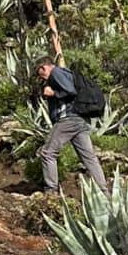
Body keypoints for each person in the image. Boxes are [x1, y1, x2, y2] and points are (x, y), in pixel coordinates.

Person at [35, 56, 105, 194]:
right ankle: (104, 192)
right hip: (79, 119)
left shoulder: (55, 73)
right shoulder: (65, 72)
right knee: (89, 157)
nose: (42, 78)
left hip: (68, 119)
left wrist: (53, 93)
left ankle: (51, 192)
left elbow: (71, 91)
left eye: (40, 74)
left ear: (43, 68)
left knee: (47, 153)